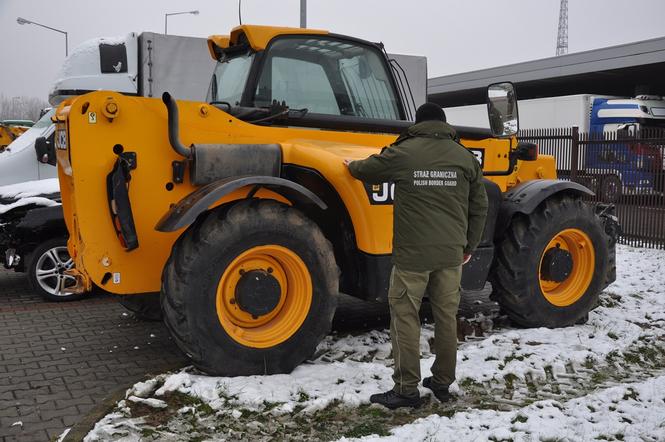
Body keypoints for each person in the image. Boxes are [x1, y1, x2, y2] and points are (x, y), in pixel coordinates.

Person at [345, 102, 488, 409]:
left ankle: (406, 389)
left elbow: (363, 170)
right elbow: (480, 207)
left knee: (406, 317)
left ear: (418, 124)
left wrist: (348, 165)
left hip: (412, 257)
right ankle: (442, 382)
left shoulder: (404, 152)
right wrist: (469, 246)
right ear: (444, 124)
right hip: (451, 255)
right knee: (446, 318)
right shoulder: (465, 157)